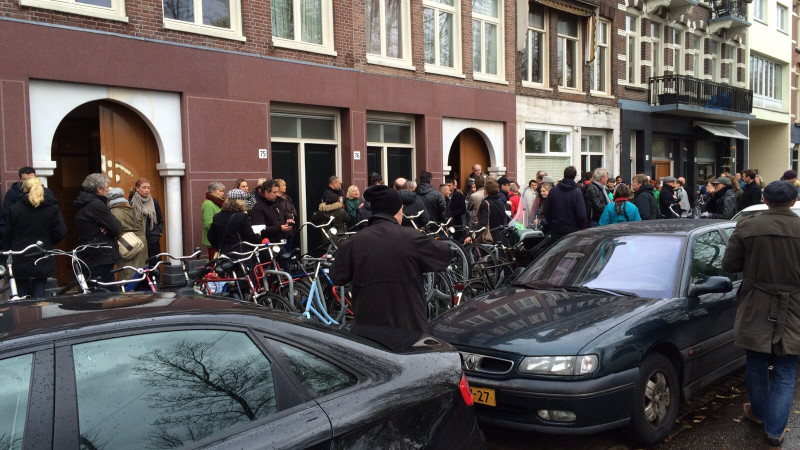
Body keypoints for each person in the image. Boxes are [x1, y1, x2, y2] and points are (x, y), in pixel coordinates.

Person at [721, 181, 800, 447]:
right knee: (786, 369)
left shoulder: (748, 227)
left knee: (756, 362)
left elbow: (729, 264)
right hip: (796, 305)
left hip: (757, 301)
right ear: (793, 202)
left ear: (765, 200)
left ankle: (760, 413)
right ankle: (774, 431)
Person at [329, 185, 450, 333]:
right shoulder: (411, 238)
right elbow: (444, 256)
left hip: (369, 328)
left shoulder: (354, 242)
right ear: (396, 211)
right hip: (409, 327)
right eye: (401, 210)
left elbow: (337, 276)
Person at [2, 176, 66, 298]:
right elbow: (61, 231)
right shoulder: (52, 207)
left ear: (24, 189)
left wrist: (7, 253)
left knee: (21, 292)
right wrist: (49, 242)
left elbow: (7, 234)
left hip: (19, 254)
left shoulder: (16, 208)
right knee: (39, 289)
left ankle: (23, 310)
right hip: (42, 252)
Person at [74, 173, 122, 286]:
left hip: (92, 255)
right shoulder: (96, 205)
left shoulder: (86, 203)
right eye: (107, 187)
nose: (109, 189)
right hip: (100, 255)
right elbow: (116, 227)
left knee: (98, 291)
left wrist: (107, 228)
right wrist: (109, 229)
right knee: (108, 292)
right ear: (99, 189)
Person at [0, 166, 54, 241]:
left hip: (43, 238)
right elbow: (6, 218)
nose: (28, 182)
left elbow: (54, 218)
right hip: (19, 239)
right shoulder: (12, 194)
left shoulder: (47, 193)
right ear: (20, 180)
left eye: (31, 179)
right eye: (25, 179)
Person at [108, 187, 147, 280]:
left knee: (127, 272)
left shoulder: (112, 212)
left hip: (125, 243)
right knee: (141, 270)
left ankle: (128, 288)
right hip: (141, 242)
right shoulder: (135, 210)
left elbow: (113, 230)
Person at [543, 166, 586, 239]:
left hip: (556, 229)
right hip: (572, 230)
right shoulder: (577, 192)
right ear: (574, 176)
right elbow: (581, 214)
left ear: (564, 174)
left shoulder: (553, 190)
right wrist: (580, 227)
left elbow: (546, 210)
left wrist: (552, 223)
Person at [251, 179, 294, 245]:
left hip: (281, 243)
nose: (277, 194)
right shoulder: (258, 208)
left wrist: (288, 220)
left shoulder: (277, 203)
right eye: (274, 192)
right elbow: (259, 230)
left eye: (277, 192)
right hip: (268, 245)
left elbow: (283, 215)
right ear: (266, 192)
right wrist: (279, 229)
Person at [129, 178, 164, 258]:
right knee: (141, 262)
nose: (147, 190)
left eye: (148, 188)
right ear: (137, 188)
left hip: (153, 240)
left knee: (154, 262)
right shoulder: (131, 203)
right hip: (137, 239)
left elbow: (160, 220)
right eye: (144, 188)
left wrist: (158, 233)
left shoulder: (154, 202)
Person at [473, 179, 511, 245]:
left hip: (490, 237)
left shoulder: (485, 203)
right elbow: (504, 218)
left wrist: (473, 235)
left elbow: (483, 222)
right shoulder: (501, 203)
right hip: (501, 236)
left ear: (486, 191)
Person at [201, 182, 225, 259]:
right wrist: (221, 232)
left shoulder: (218, 202)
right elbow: (208, 224)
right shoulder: (208, 204)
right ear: (212, 191)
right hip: (213, 240)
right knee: (214, 262)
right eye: (220, 191)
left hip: (219, 239)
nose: (223, 193)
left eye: (223, 191)